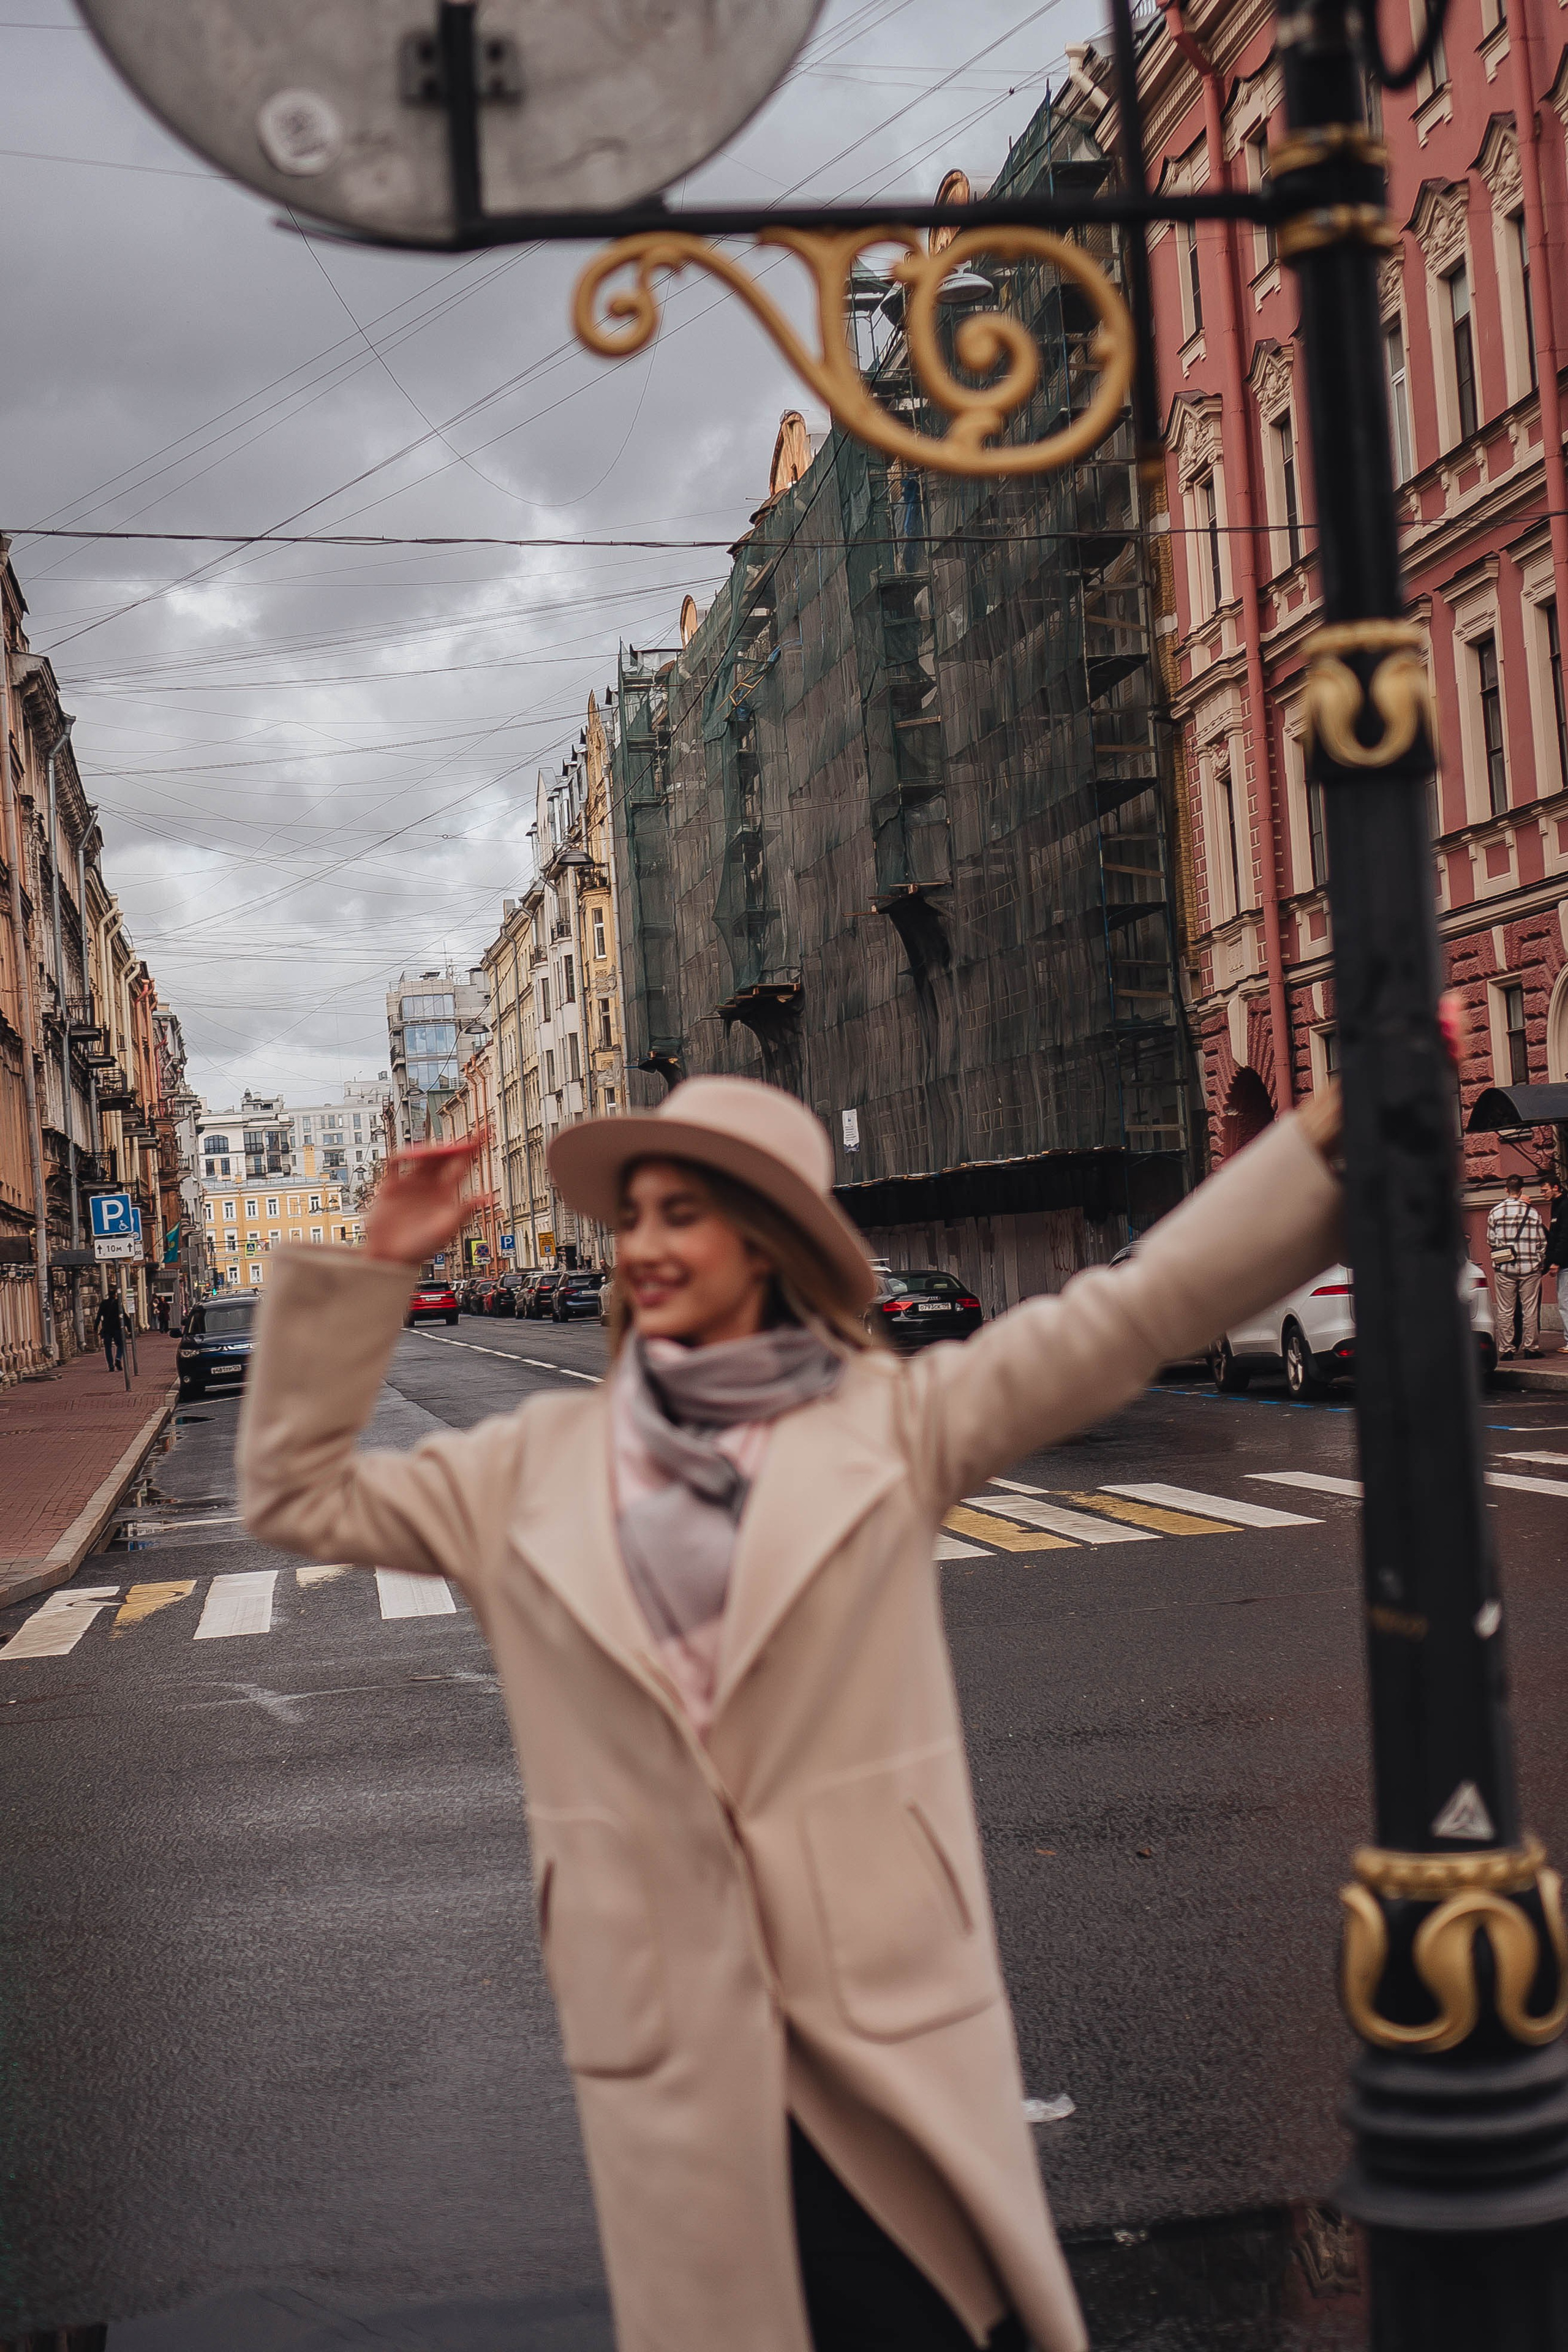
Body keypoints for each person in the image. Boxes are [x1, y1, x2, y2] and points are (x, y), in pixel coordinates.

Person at [238, 1074, 1343, 2352]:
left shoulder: (884, 1427)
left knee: (914, 2316)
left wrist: (1321, 1146)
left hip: (881, 2004)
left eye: (684, 1214)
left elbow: (1126, 1313)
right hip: (663, 2025)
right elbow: (292, 1491)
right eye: (636, 1216)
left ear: (764, 1239)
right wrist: (375, 1263)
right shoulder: (522, 1468)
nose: (643, 1245)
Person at [1487, 1171, 1547, 1359]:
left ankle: (1506, 1350)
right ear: (1522, 1190)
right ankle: (1531, 1348)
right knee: (1530, 1309)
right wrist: (1539, 1261)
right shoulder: (1533, 1213)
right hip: (1530, 1268)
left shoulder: (1495, 1212)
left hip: (1505, 1268)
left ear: (1506, 1189)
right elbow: (1542, 1242)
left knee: (1506, 1310)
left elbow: (1490, 1240)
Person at [1541, 1176, 1568, 1350]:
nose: (1542, 1194)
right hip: (1564, 1262)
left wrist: (1556, 1261)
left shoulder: (1564, 1206)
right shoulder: (1558, 1205)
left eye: (1545, 1190)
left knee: (1565, 1303)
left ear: (1555, 1187)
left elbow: (1564, 1236)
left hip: (1566, 1264)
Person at [94, 1286, 126, 1373]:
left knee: (108, 1347)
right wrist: (129, 1327)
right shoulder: (118, 1304)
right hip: (117, 1328)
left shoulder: (104, 1303)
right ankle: (118, 1358)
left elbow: (99, 1316)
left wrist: (95, 1328)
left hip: (107, 1328)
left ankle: (111, 1365)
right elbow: (124, 1315)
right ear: (115, 1295)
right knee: (121, 1345)